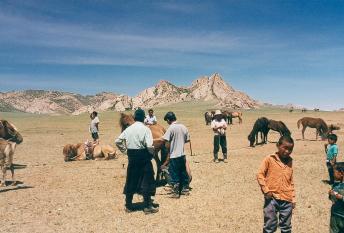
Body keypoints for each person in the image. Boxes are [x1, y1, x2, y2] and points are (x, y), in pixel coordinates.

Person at [115, 109, 158, 214]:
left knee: (131, 179)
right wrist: (151, 154)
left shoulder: (129, 129)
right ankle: (147, 206)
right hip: (143, 157)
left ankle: (129, 205)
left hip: (132, 157)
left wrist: (126, 151)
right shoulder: (146, 129)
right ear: (143, 118)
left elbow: (118, 141)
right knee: (147, 179)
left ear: (134, 118)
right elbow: (149, 145)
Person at [257, 135, 296, 233]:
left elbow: (290, 181)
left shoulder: (290, 161)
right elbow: (260, 174)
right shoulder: (269, 159)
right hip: (271, 198)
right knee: (269, 225)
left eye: (290, 149)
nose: (287, 151)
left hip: (287, 199)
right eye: (285, 148)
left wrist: (293, 198)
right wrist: (266, 190)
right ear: (278, 145)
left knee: (286, 227)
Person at [162, 111, 190, 198]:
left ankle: (176, 192)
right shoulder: (183, 127)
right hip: (182, 154)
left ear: (168, 119)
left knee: (174, 173)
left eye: (167, 120)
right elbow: (187, 140)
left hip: (174, 155)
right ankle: (185, 189)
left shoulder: (171, 128)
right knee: (183, 171)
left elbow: (165, 141)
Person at [329, 163, 344, 233]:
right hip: (335, 215)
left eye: (334, 172)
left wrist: (342, 197)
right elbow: (332, 199)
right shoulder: (335, 185)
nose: (333, 174)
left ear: (341, 173)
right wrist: (330, 194)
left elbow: (341, 198)